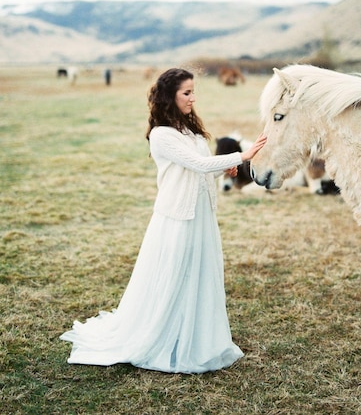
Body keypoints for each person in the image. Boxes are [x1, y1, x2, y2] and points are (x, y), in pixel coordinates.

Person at [60, 67, 266, 373]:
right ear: (170, 96)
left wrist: (222, 167)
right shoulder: (161, 135)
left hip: (201, 213)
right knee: (174, 273)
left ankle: (195, 332)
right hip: (177, 216)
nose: (193, 98)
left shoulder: (188, 128)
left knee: (198, 271)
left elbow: (201, 164)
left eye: (194, 92)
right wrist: (242, 155)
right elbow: (195, 163)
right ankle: (168, 335)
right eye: (186, 93)